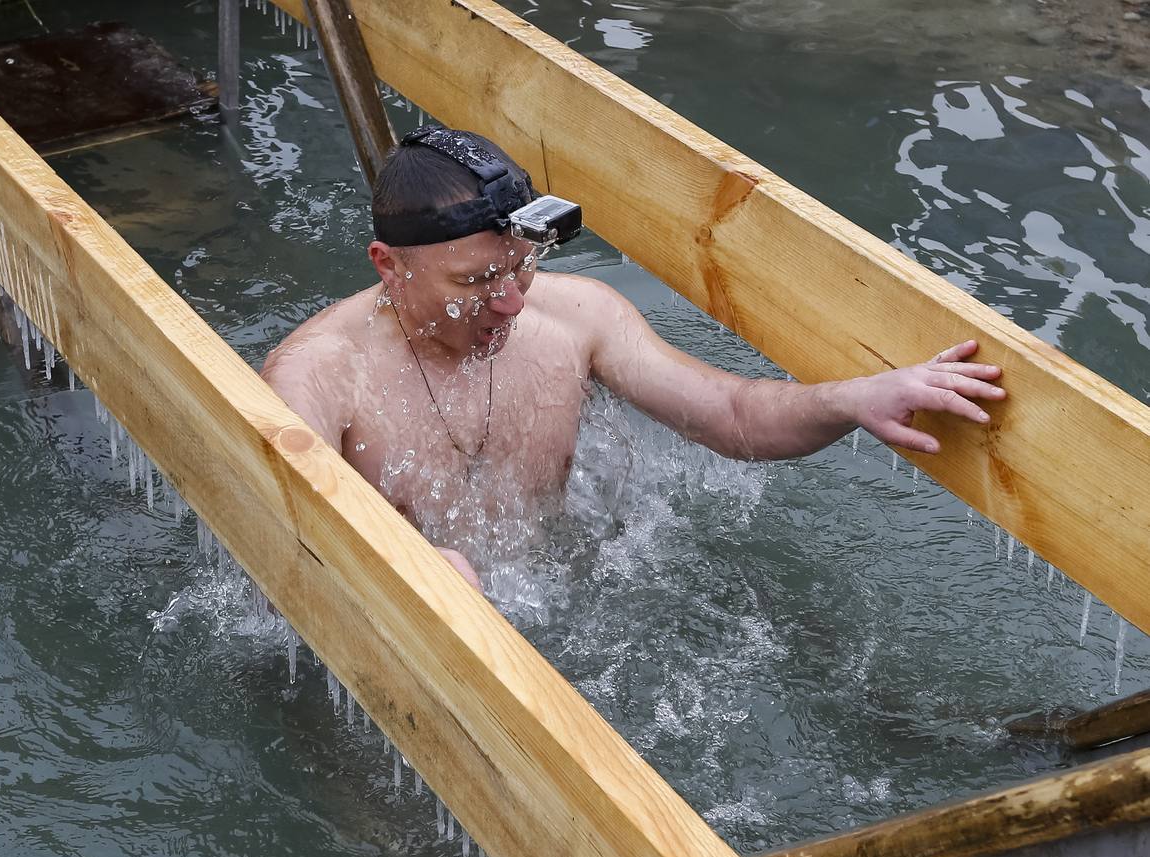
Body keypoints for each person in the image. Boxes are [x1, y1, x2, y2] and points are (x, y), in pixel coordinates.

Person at [262, 127, 1005, 590]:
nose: (513, 302)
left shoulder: (577, 316)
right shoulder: (320, 374)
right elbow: (288, 538)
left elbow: (733, 418)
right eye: (477, 282)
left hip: (560, 602)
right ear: (388, 265)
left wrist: (851, 398)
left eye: (519, 268)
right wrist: (403, 571)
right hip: (399, 642)